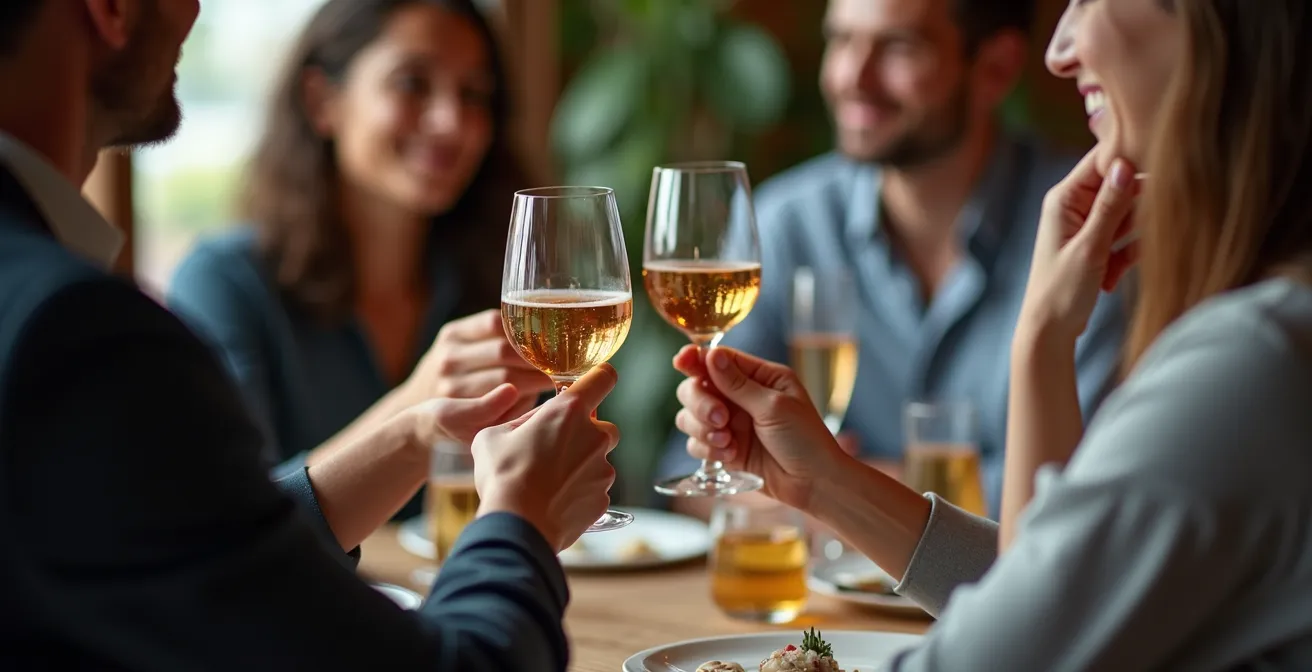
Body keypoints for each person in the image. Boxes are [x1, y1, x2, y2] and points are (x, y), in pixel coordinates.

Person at [673, 0, 1312, 668]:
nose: (1059, 50)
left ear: (1216, 28)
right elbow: (1048, 591)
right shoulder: (1269, 339)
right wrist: (825, 485)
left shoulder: (1250, 370)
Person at [0, 0, 620, 668]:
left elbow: (223, 558)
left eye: (475, 96)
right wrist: (519, 518)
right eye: (413, 83)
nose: (196, 8)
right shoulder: (78, 330)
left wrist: (412, 434)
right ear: (110, 7)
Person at [658, 0, 1128, 518]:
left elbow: (1085, 492)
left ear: (996, 68)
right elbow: (699, 470)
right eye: (840, 40)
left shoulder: (1092, 230)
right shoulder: (788, 222)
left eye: (899, 46)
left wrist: (837, 484)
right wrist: (888, 490)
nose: (851, 76)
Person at [166, 0, 551, 518]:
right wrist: (417, 404)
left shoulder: (498, 281)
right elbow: (224, 529)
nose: (451, 121)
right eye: (413, 83)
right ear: (322, 100)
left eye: (474, 94)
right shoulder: (224, 284)